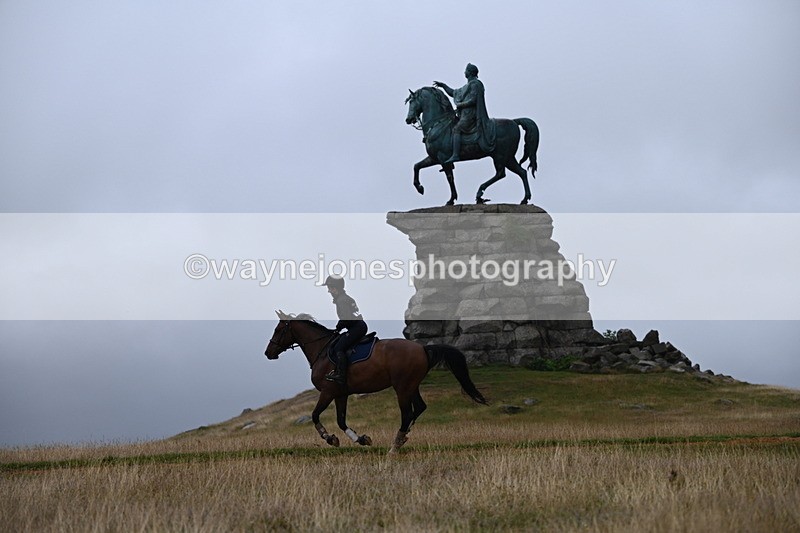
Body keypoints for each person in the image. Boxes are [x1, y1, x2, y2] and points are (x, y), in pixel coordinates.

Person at [434, 63, 496, 163]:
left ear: (470, 72)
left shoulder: (476, 84)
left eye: (466, 71)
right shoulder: (467, 86)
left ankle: (456, 155)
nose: (464, 72)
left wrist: (460, 105)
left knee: (456, 129)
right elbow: (453, 93)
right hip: (465, 114)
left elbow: (473, 100)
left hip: (471, 115)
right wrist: (443, 86)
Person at [323, 275, 367, 385]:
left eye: (330, 288)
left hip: (356, 328)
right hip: (358, 326)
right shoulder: (345, 298)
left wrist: (338, 328)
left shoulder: (341, 300)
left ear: (336, 288)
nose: (329, 291)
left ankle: (341, 376)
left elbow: (346, 318)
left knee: (339, 348)